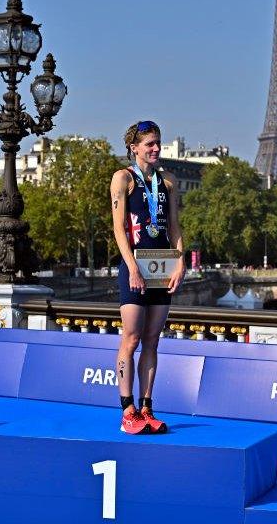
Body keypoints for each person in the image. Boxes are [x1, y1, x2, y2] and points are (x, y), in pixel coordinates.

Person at [110, 120, 185, 434]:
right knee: (132, 338)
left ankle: (146, 405)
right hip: (136, 264)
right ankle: (127, 408)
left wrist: (180, 262)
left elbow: (175, 226)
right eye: (150, 144)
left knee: (153, 339)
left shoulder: (168, 180)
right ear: (134, 148)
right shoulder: (123, 178)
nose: (156, 149)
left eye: (158, 143)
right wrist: (132, 268)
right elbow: (118, 228)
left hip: (163, 264)